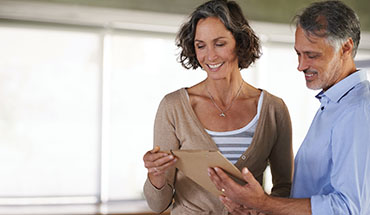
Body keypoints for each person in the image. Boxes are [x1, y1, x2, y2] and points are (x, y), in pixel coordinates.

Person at [209, 0, 370, 214]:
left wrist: (263, 203)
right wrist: (260, 209)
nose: (301, 66)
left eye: (312, 55)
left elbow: (350, 208)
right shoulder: (333, 105)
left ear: (346, 48)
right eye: (298, 54)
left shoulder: (357, 110)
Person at [142, 0, 293, 214]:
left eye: (219, 44)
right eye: (200, 45)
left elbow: (284, 189)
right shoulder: (173, 107)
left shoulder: (273, 109)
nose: (210, 56)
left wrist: (259, 209)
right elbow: (158, 205)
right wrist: (155, 175)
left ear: (240, 42)